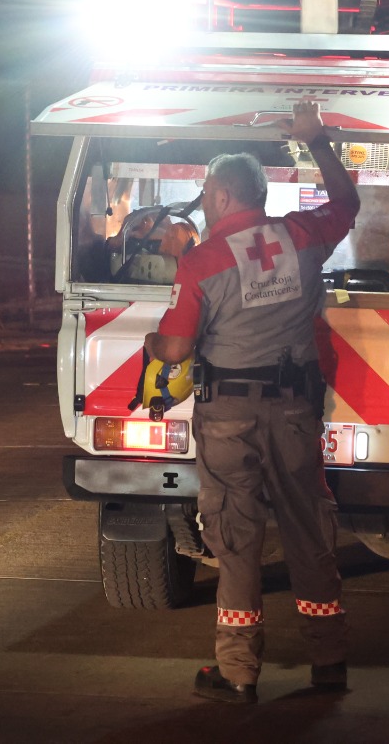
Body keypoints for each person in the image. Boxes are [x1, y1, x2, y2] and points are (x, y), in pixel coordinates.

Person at [143, 100, 362, 705]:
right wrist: (318, 142)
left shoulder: (203, 261)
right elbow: (348, 203)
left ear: (217, 195)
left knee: (236, 537)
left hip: (230, 419)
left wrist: (160, 320)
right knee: (307, 531)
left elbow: (177, 347)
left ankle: (238, 672)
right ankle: (330, 660)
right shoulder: (300, 234)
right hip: (295, 411)